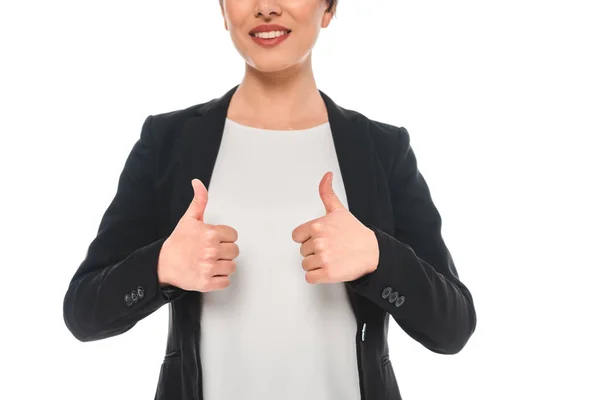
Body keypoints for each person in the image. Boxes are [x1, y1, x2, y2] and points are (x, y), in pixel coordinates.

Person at [62, 0, 477, 399]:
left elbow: (453, 327)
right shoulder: (168, 143)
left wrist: (377, 257)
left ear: (329, 8)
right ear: (223, 10)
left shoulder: (382, 150)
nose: (266, 6)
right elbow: (83, 312)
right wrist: (161, 267)